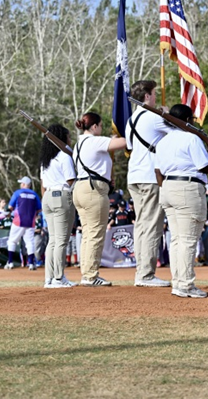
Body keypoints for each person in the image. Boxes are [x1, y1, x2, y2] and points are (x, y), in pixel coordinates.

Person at [155, 104, 208, 298]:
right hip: (187, 187)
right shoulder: (192, 138)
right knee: (188, 240)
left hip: (167, 187)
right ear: (189, 120)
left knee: (177, 240)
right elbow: (205, 167)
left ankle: (178, 282)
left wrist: (165, 189)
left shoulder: (163, 141)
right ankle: (185, 285)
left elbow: (158, 171)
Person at [124, 80, 173, 288]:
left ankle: (141, 271)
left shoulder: (131, 120)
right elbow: (178, 133)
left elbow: (129, 145)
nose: (155, 97)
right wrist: (167, 113)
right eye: (154, 94)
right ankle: (146, 274)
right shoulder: (153, 117)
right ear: (146, 96)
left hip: (134, 175)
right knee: (152, 225)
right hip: (149, 176)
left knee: (142, 225)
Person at [72, 111, 127, 287]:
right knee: (95, 233)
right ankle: (90, 275)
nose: (102, 129)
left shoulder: (78, 144)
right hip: (93, 188)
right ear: (94, 126)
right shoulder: (95, 141)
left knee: (88, 234)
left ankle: (87, 272)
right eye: (101, 126)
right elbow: (126, 142)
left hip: (81, 187)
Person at [36, 124, 78, 288]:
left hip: (47, 197)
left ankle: (50, 277)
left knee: (53, 240)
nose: (70, 139)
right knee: (61, 240)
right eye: (68, 136)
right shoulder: (64, 157)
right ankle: (59, 278)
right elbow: (71, 181)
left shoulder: (45, 160)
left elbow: (42, 184)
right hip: (61, 195)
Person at [7, 176, 42, 271]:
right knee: (30, 242)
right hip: (30, 221)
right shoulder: (35, 194)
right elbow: (39, 209)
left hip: (18, 221)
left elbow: (10, 206)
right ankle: (31, 263)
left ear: (23, 184)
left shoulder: (17, 193)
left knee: (12, 241)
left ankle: (10, 262)